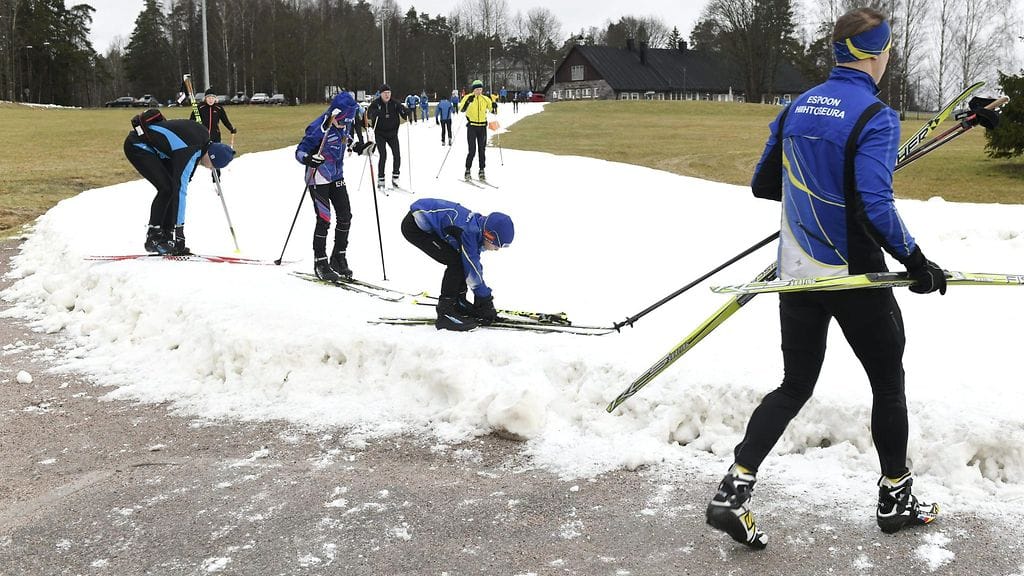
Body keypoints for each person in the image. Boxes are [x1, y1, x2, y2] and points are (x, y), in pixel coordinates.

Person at [705, 7, 942, 551]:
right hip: (856, 278)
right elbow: (877, 207)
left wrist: (817, 192)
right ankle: (894, 498)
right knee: (887, 382)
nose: (888, 60)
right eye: (888, 51)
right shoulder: (876, 116)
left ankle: (733, 491)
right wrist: (917, 261)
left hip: (798, 278)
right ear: (875, 53)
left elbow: (765, 186)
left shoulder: (797, 107)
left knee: (794, 385)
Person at [124, 108, 235, 255]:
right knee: (167, 188)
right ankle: (154, 237)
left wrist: (174, 232)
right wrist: (180, 231)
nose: (210, 169)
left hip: (154, 147)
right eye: (214, 166)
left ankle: (166, 234)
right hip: (138, 145)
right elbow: (180, 190)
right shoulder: (192, 149)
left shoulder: (202, 140)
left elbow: (183, 181)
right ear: (212, 157)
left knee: (170, 187)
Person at [400, 198, 513, 331]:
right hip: (415, 227)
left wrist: (482, 298)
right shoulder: (469, 232)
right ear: (489, 235)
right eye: (497, 245)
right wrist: (484, 299)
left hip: (427, 219)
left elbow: (472, 262)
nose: (497, 249)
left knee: (460, 260)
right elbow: (471, 268)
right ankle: (445, 313)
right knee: (456, 263)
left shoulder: (477, 228)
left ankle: (458, 303)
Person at [294, 92, 361, 281]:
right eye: (340, 121)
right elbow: (300, 151)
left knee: (345, 215)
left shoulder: (345, 123)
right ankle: (320, 261)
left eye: (346, 122)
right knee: (324, 218)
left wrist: (356, 147)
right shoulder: (318, 127)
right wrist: (309, 158)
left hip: (337, 174)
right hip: (319, 176)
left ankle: (338, 257)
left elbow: (343, 140)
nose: (343, 125)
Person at [367, 84, 409, 189]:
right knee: (383, 155)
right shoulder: (376, 103)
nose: (387, 95)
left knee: (397, 155)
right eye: (385, 93)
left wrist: (406, 112)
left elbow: (403, 114)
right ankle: (381, 179)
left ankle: (395, 177)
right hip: (380, 134)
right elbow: (369, 115)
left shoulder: (395, 103)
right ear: (381, 94)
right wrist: (374, 114)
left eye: (389, 93)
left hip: (393, 134)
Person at [190, 89, 237, 181]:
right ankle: (190, 175)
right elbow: (191, 121)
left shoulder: (219, 108)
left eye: (212, 98)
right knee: (198, 156)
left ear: (215, 99)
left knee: (216, 156)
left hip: (215, 136)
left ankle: (216, 178)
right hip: (202, 137)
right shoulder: (199, 108)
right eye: (208, 98)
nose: (210, 100)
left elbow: (225, 120)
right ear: (205, 98)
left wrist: (231, 128)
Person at [459, 80, 497, 182]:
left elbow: (493, 111)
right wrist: (467, 102)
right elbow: (461, 109)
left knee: (482, 149)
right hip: (472, 126)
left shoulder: (485, 99)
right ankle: (467, 170)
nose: (478, 91)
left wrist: (494, 106)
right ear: (473, 90)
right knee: (472, 150)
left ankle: (481, 170)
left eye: (480, 89)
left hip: (482, 127)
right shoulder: (468, 97)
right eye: (476, 89)